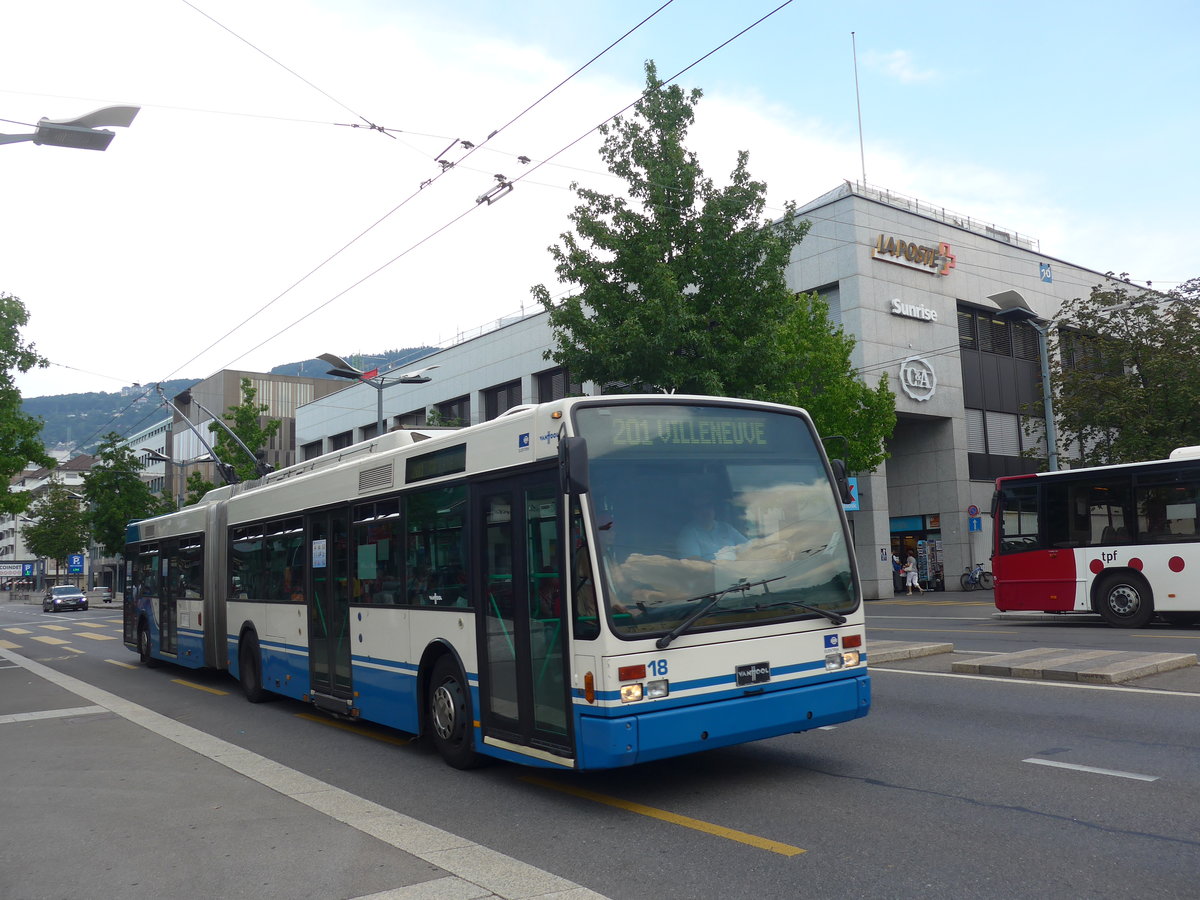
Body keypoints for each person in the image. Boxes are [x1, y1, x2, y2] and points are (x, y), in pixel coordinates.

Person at [677, 496, 747, 561]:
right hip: (712, 573)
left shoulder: (725, 528)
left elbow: (749, 547)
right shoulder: (688, 533)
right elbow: (694, 562)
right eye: (699, 508)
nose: (705, 511)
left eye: (708, 506)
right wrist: (722, 567)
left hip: (738, 570)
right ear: (693, 512)